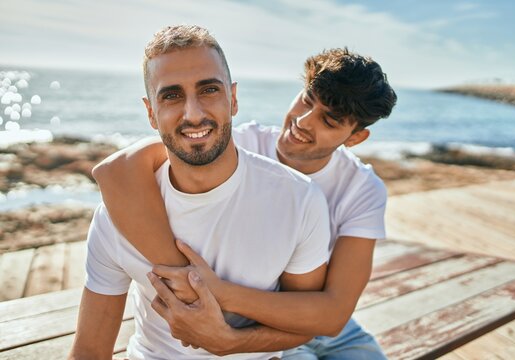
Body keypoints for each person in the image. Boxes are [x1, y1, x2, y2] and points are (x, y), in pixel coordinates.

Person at [93, 44, 397, 359]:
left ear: (355, 138)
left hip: (315, 322)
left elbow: (332, 316)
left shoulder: (362, 189)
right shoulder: (238, 142)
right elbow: (117, 171)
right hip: (258, 328)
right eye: (307, 100)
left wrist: (219, 298)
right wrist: (187, 280)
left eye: (329, 121)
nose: (304, 121)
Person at [68, 25, 333, 360]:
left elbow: (304, 322)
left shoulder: (299, 200)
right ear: (151, 112)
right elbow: (90, 349)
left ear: (233, 99)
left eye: (208, 90)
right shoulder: (117, 213)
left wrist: (229, 342)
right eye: (171, 95)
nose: (193, 114)